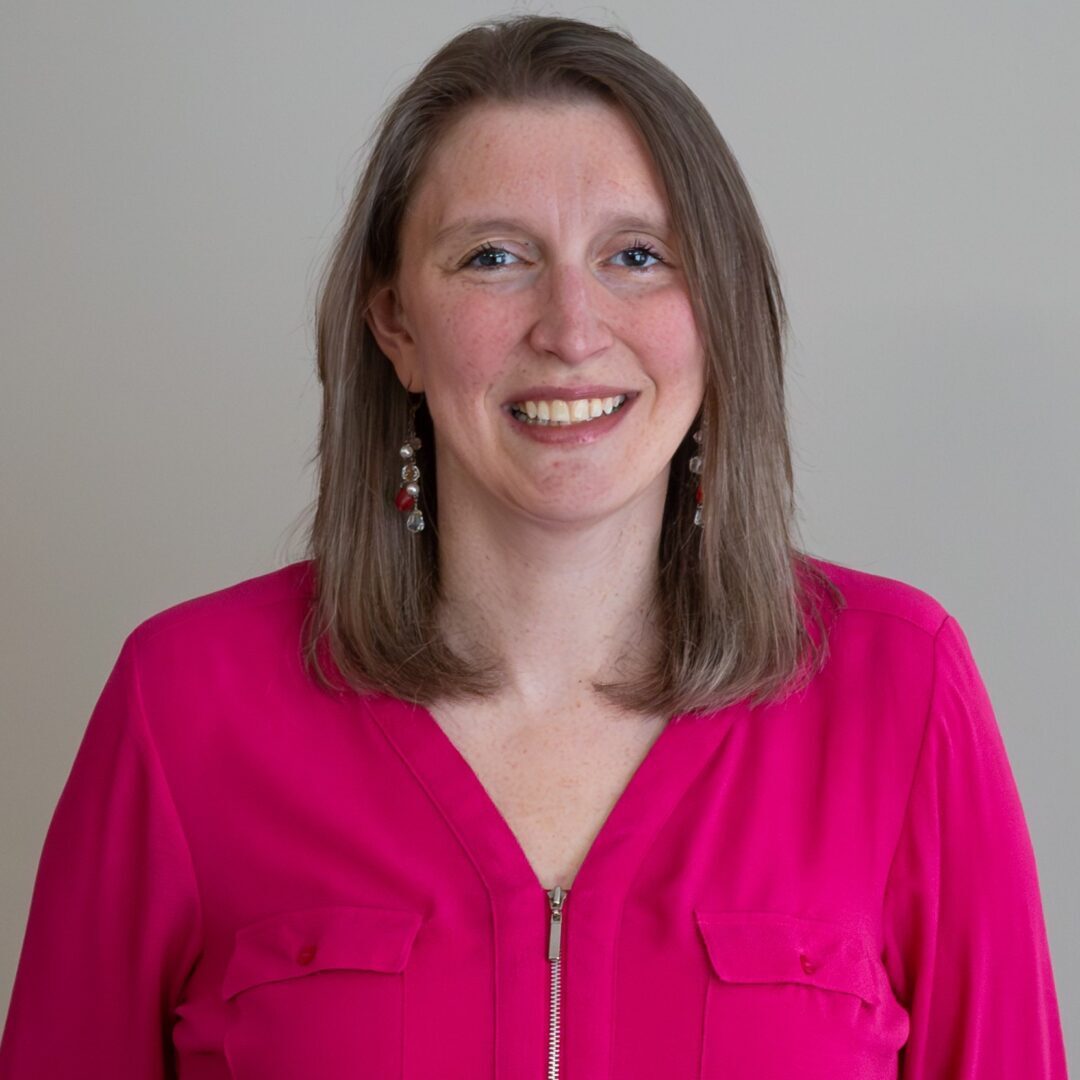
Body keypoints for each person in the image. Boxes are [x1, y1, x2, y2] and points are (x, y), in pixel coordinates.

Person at [0, 14, 1068, 1080]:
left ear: (716, 314)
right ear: (397, 327)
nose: (571, 326)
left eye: (638, 257)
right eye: (494, 257)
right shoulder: (186, 704)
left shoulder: (898, 691)